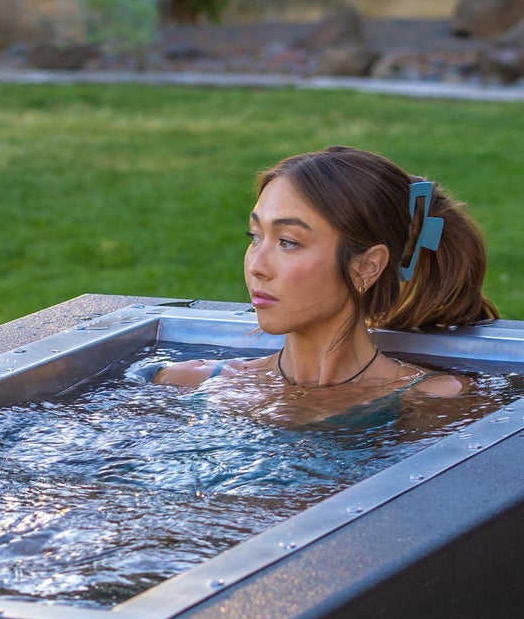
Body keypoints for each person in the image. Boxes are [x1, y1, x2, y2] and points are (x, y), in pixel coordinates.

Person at [155, 145, 498, 416]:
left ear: (366, 266)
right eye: (255, 235)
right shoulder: (186, 382)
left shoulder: (433, 398)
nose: (257, 266)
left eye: (288, 242)